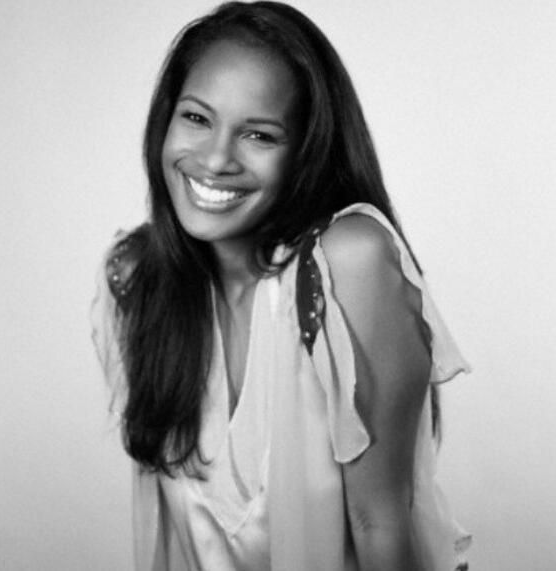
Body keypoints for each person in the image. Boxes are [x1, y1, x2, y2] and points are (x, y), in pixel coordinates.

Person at [91, 2, 471, 569]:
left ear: (306, 152)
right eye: (196, 118)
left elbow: (379, 524)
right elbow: (169, 538)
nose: (216, 159)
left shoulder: (346, 263)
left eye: (259, 135)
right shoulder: (135, 279)